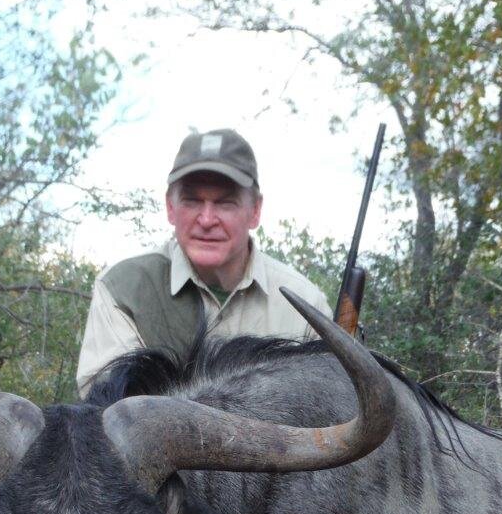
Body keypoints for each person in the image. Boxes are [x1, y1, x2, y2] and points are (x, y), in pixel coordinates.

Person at [76, 128, 332, 397]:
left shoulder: (305, 304)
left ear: (255, 210)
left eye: (225, 203)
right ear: (171, 208)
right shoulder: (123, 289)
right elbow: (109, 416)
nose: (207, 220)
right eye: (192, 201)